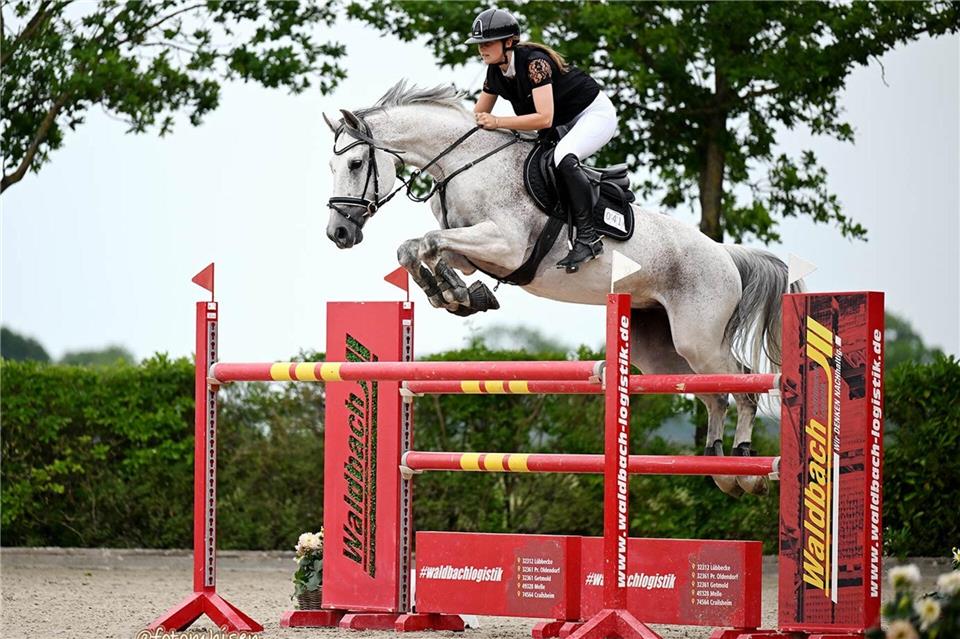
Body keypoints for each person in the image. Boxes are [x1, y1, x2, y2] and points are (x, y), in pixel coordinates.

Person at [467, 8, 619, 273]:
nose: (482, 49)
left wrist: (499, 123)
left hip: (592, 114)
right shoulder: (494, 72)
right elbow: (479, 115)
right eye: (480, 44)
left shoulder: (535, 63)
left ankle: (588, 236)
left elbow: (544, 118)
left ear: (509, 42)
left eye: (488, 43)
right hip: (560, 122)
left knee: (563, 157)